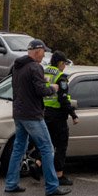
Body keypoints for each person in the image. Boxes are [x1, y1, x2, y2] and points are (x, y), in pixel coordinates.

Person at [4, 40, 72, 196]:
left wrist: (43, 83)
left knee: (18, 148)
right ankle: (52, 186)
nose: (44, 55)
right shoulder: (35, 67)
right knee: (47, 148)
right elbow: (41, 90)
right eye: (43, 51)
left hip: (19, 113)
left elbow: (26, 87)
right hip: (32, 115)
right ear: (36, 51)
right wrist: (53, 88)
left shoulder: (17, 67)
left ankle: (11, 183)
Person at [39, 50, 78, 186]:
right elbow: (63, 99)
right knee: (61, 145)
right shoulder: (61, 77)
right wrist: (73, 114)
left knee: (48, 143)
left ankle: (38, 164)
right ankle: (59, 175)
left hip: (44, 113)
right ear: (60, 63)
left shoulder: (44, 72)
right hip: (58, 115)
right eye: (64, 64)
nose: (65, 67)